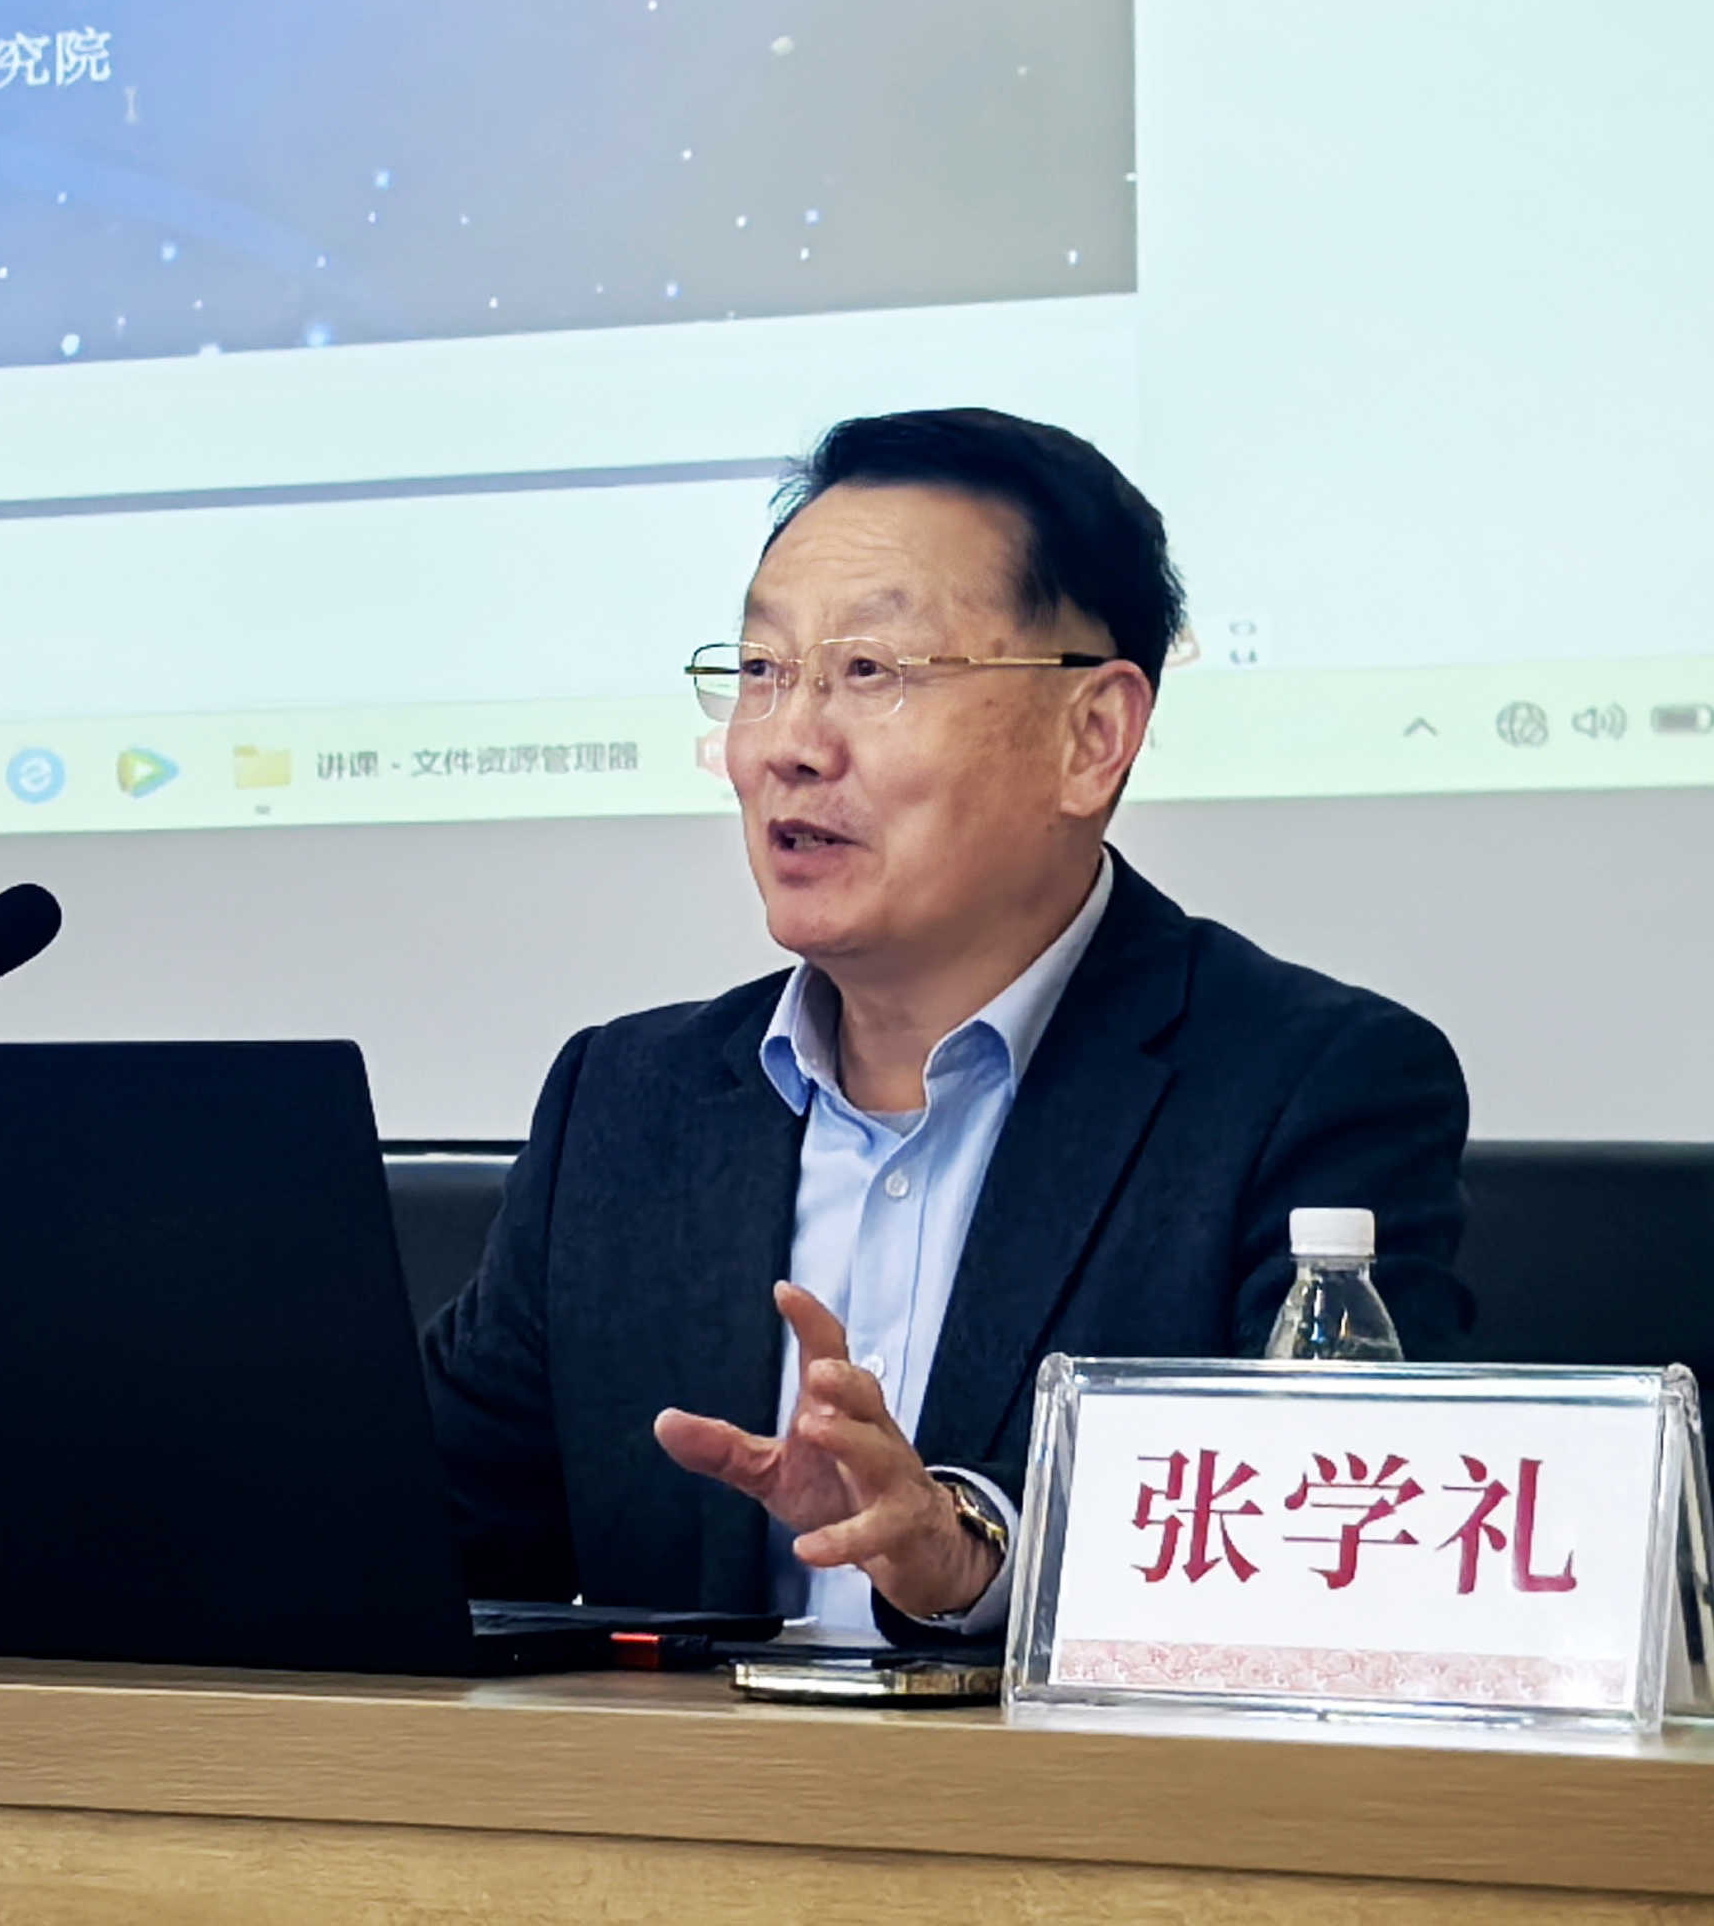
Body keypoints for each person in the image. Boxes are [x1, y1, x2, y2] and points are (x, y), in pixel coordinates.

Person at [422, 408, 1471, 1639]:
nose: (787, 745)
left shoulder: (1308, 1091)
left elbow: (1332, 1557)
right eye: (761, 672)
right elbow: (418, 1530)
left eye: (872, 671)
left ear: (1092, 737)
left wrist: (972, 1559)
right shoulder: (628, 1102)